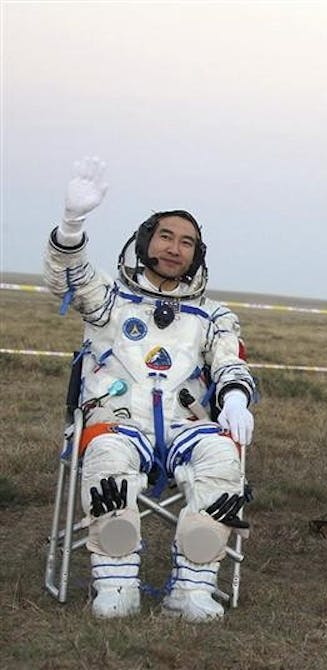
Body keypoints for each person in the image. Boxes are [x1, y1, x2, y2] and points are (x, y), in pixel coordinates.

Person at [42, 157, 255, 622]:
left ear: (197, 255)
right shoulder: (110, 299)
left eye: (187, 243)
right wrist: (72, 225)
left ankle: (193, 588)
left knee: (222, 460)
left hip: (185, 427)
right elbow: (65, 277)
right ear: (144, 241)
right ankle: (116, 584)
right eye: (166, 236)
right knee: (108, 459)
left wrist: (236, 397)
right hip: (117, 422)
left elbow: (228, 360)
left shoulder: (211, 315)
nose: (175, 248)